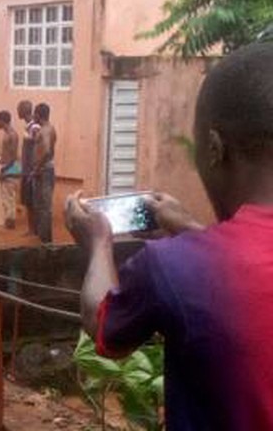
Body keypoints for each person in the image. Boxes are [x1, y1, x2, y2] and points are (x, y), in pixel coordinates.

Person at [65, 42, 273, 430]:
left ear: (214, 149)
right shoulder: (194, 257)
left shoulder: (170, 263)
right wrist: (192, 228)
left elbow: (106, 329)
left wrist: (98, 242)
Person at [30, 103, 56, 243]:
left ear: (38, 115)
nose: (33, 116)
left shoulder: (46, 130)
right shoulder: (45, 129)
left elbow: (46, 151)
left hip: (44, 171)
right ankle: (43, 239)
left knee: (45, 207)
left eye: (35, 113)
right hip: (43, 171)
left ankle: (46, 241)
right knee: (40, 206)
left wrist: (37, 168)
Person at [0, 110, 20, 229]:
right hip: (8, 167)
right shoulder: (8, 134)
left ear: (2, 121)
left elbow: (13, 157)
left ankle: (10, 224)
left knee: (8, 198)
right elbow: (8, 154)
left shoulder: (12, 135)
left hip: (11, 168)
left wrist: (4, 171)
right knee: (7, 198)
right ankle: (9, 223)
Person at [17, 100, 39, 234]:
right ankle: (32, 229)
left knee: (32, 202)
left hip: (31, 170)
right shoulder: (28, 127)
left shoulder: (34, 127)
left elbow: (38, 146)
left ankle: (34, 229)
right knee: (28, 202)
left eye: (18, 109)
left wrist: (33, 168)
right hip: (26, 169)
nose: (17, 112)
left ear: (24, 111)